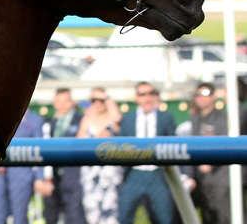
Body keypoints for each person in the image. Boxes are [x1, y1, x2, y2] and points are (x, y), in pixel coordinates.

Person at [116, 82, 178, 224]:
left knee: (164, 216)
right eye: (143, 94)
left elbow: (174, 145)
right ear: (137, 98)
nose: (147, 98)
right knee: (124, 215)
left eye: (150, 93)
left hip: (157, 173)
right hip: (134, 172)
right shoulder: (128, 119)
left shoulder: (165, 117)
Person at [188, 82, 243, 224]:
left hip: (220, 177)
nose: (202, 98)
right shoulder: (195, 119)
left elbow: (226, 145)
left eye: (206, 94)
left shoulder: (223, 117)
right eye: (198, 94)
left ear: (213, 97)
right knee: (206, 216)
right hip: (200, 180)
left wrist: (210, 163)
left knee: (225, 216)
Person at [35, 88, 88, 224]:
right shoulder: (48, 124)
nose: (63, 105)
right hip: (53, 179)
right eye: (59, 101)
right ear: (55, 103)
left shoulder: (81, 121)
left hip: (74, 178)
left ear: (72, 102)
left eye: (66, 101)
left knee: (75, 217)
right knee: (50, 216)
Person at [77, 87, 123, 224]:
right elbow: (79, 141)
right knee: (92, 211)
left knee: (111, 210)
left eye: (101, 100)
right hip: (91, 172)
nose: (97, 103)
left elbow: (117, 117)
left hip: (109, 173)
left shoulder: (112, 118)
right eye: (94, 100)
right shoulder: (87, 119)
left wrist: (106, 97)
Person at [0, 110, 45, 224]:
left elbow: (41, 149)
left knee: (19, 216)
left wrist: (40, 178)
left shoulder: (35, 120)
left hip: (21, 175)